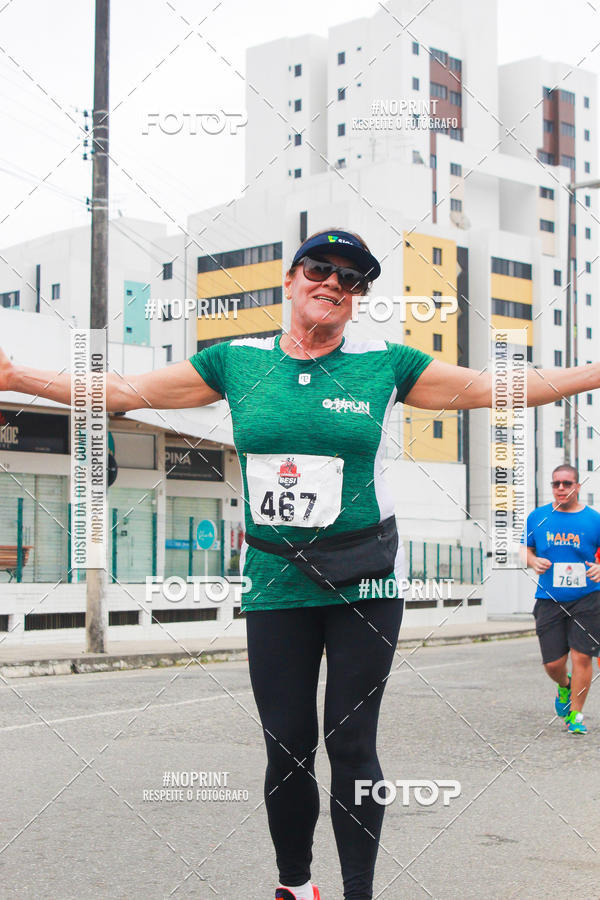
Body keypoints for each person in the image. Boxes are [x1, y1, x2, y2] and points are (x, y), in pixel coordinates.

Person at [2, 228, 600, 899]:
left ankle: (357, 892)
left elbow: (500, 387)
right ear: (290, 279)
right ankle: (296, 884)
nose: (334, 285)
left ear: (357, 300)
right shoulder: (236, 364)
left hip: (365, 578)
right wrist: (16, 376)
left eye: (351, 280)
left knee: (351, 745)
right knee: (287, 745)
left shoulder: (385, 365)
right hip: (276, 581)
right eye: (321, 269)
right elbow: (124, 390)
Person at [523, 465, 600, 734]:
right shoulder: (538, 517)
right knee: (553, 664)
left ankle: (576, 716)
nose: (561, 488)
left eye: (567, 484)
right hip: (549, 598)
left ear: (577, 487)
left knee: (582, 657)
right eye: (556, 484)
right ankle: (564, 686)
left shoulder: (594, 519)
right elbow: (525, 549)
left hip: (588, 597)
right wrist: (533, 560)